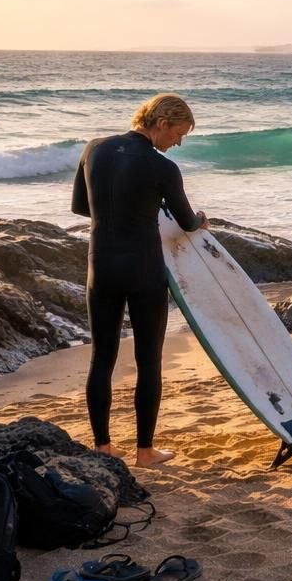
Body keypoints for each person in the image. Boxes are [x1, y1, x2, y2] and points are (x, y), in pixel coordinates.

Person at [71, 92, 208, 467]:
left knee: (102, 358)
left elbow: (81, 207)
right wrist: (201, 220)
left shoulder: (94, 149)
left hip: (101, 268)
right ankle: (145, 452)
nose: (177, 143)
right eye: (178, 134)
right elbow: (186, 221)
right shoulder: (162, 167)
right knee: (148, 361)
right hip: (144, 271)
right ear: (161, 123)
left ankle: (103, 446)